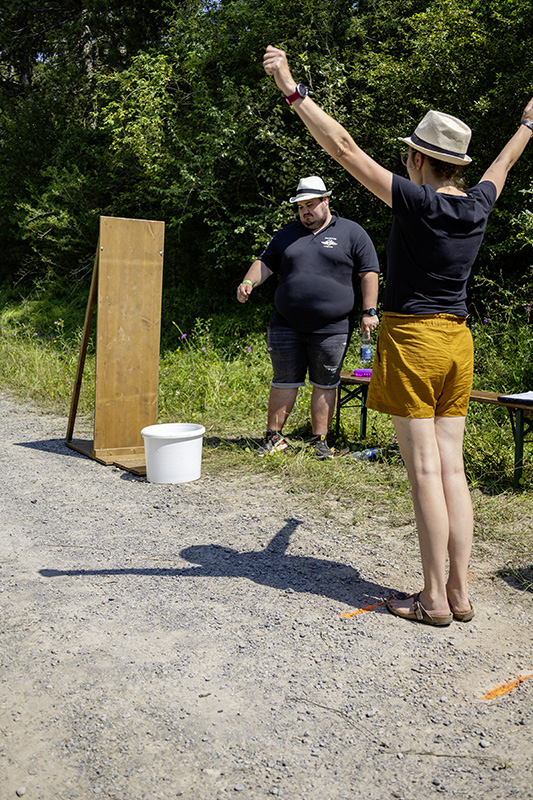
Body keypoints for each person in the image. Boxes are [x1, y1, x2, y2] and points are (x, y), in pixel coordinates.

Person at [263, 45, 533, 624]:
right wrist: (527, 126)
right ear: (457, 165)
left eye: (409, 154)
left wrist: (291, 88)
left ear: (417, 159)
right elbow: (503, 166)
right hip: (457, 343)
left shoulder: (417, 202)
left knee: (425, 473)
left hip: (413, 342)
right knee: (452, 470)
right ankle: (459, 594)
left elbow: (343, 149)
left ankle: (433, 600)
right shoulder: (477, 204)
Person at [237, 175, 380, 458]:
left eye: (310, 205)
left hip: (332, 327)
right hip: (285, 324)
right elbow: (265, 263)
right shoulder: (287, 235)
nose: (305, 212)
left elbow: (369, 272)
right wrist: (248, 282)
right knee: (283, 380)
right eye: (301, 207)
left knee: (325, 382)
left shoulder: (352, 232)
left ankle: (320, 441)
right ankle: (273, 437)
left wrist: (369, 311)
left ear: (326, 201)